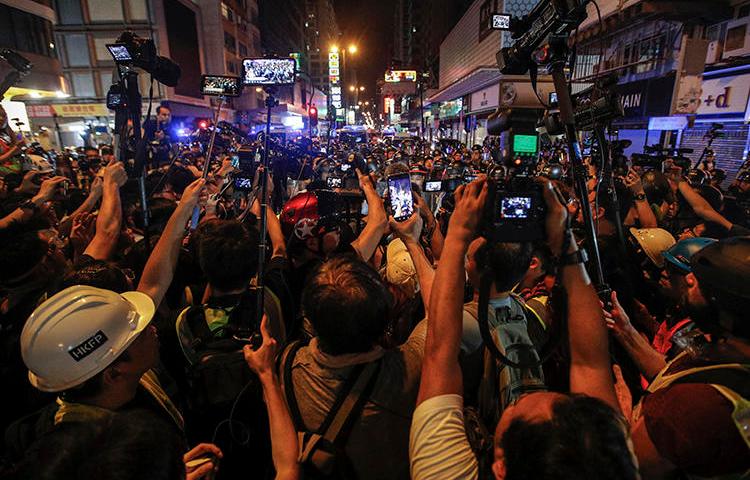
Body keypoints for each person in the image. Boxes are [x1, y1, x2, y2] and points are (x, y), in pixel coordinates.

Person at [409, 177, 638, 480]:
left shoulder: (446, 473)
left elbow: (438, 353)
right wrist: (565, 238)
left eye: (515, 413)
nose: (520, 398)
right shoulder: (604, 459)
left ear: (500, 465)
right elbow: (591, 364)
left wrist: (457, 235)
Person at [618, 237, 750, 478]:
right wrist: (626, 331)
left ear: (727, 312)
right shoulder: (722, 350)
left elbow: (623, 466)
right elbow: (670, 373)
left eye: (702, 284)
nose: (689, 278)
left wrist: (619, 415)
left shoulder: (697, 407)